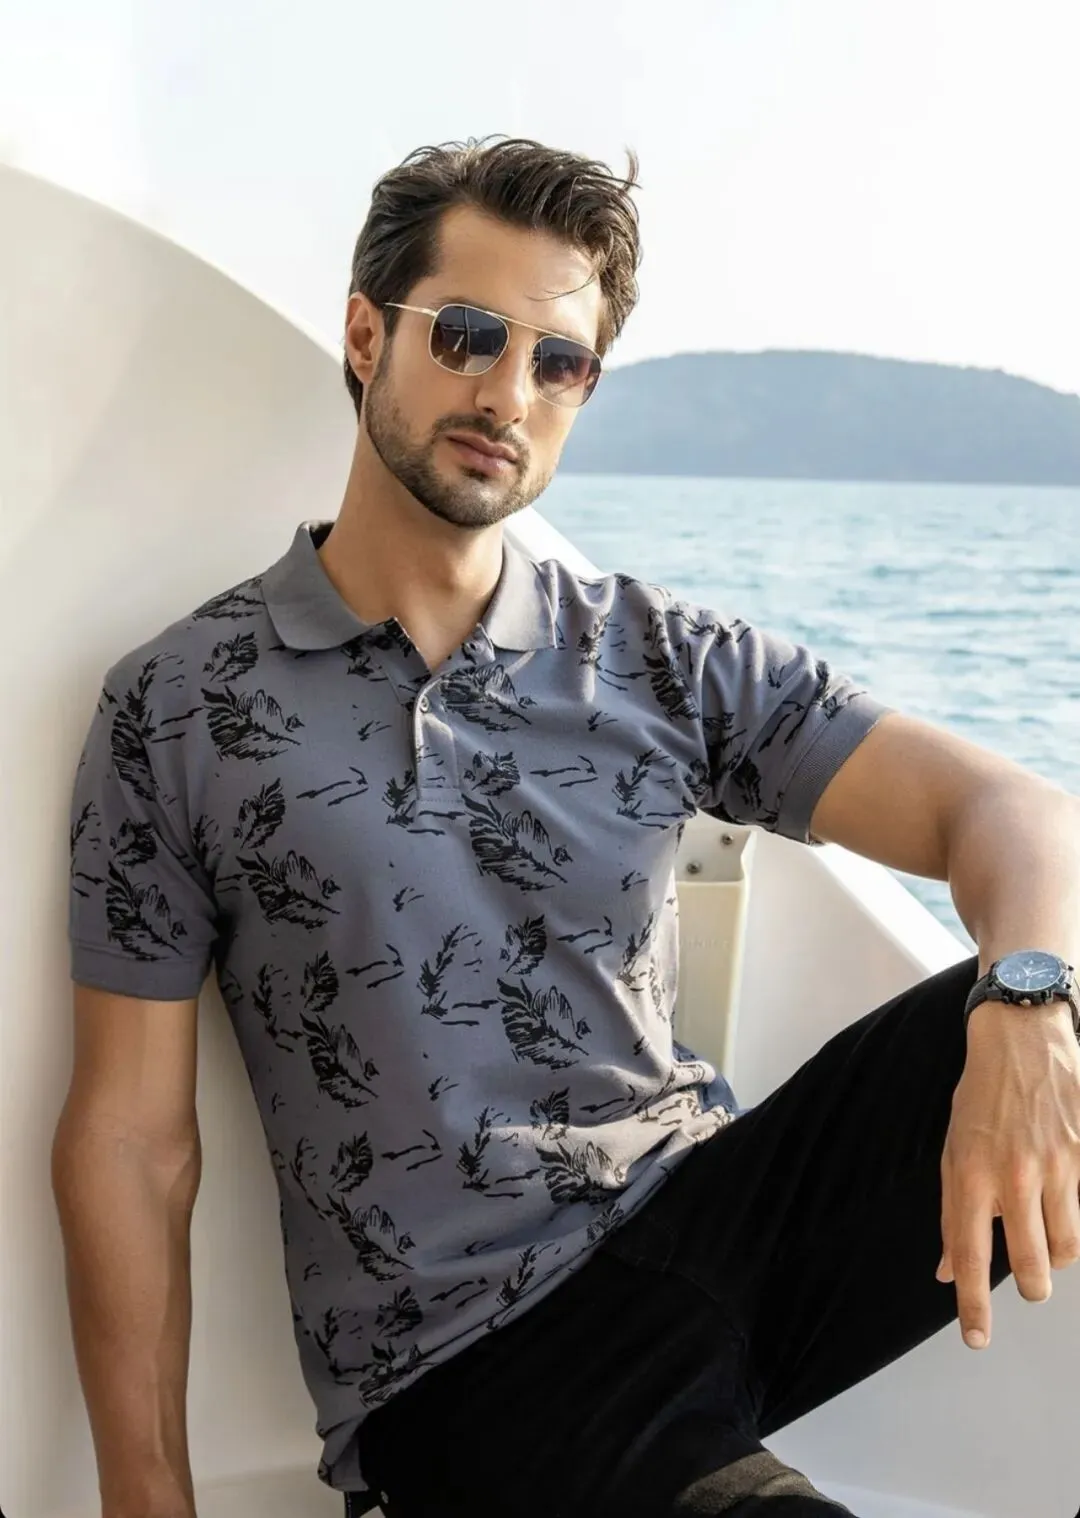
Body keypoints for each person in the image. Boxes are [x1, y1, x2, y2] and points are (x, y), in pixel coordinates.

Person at [55, 135, 1080, 1518]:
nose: (507, 393)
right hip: (472, 1362)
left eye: (560, 363)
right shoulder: (182, 705)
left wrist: (1025, 1004)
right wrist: (144, 1497)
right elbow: (131, 1139)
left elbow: (1006, 806)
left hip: (713, 1222)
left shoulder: (655, 655)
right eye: (467, 335)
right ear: (365, 335)